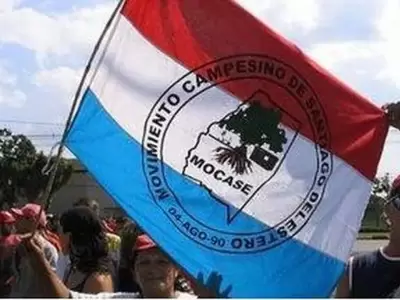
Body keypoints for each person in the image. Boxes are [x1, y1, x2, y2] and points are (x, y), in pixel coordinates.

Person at [60, 206, 114, 294]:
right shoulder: (71, 268)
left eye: (60, 232)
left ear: (70, 236)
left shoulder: (97, 280)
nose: (59, 236)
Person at [9, 203, 59, 297]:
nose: (16, 221)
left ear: (33, 221)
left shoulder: (48, 250)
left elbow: (53, 282)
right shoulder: (18, 246)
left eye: (21, 217)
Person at [0, 211, 20, 297]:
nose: (12, 226)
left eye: (12, 223)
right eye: (9, 223)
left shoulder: (15, 238)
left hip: (8, 280)